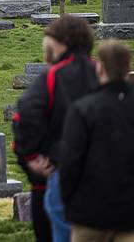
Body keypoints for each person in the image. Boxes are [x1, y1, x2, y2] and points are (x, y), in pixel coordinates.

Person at [13, 15, 99, 242]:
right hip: (103, 177)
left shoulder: (52, 77)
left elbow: (24, 116)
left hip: (53, 175)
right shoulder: (102, 72)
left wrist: (30, 157)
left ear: (61, 42)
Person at [59, 41, 134, 242]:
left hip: (90, 213)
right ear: (128, 68)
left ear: (99, 67)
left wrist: (70, 201)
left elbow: (70, 162)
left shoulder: (83, 109)